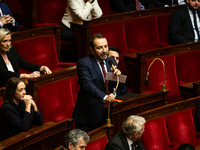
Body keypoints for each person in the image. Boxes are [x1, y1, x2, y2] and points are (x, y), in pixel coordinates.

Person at [72, 34, 124, 132]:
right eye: (99, 48)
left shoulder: (111, 61)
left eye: (105, 46)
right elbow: (87, 84)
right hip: (88, 115)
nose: (104, 50)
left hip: (107, 112)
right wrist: (104, 97)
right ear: (91, 50)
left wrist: (118, 77)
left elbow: (121, 86)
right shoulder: (84, 63)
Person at [0, 77, 43, 141]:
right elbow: (23, 128)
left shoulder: (22, 103)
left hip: (22, 138)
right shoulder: (6, 108)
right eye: (20, 90)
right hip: (9, 142)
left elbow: (39, 122)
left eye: (24, 89)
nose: (24, 92)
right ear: (12, 92)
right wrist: (28, 106)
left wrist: (34, 106)